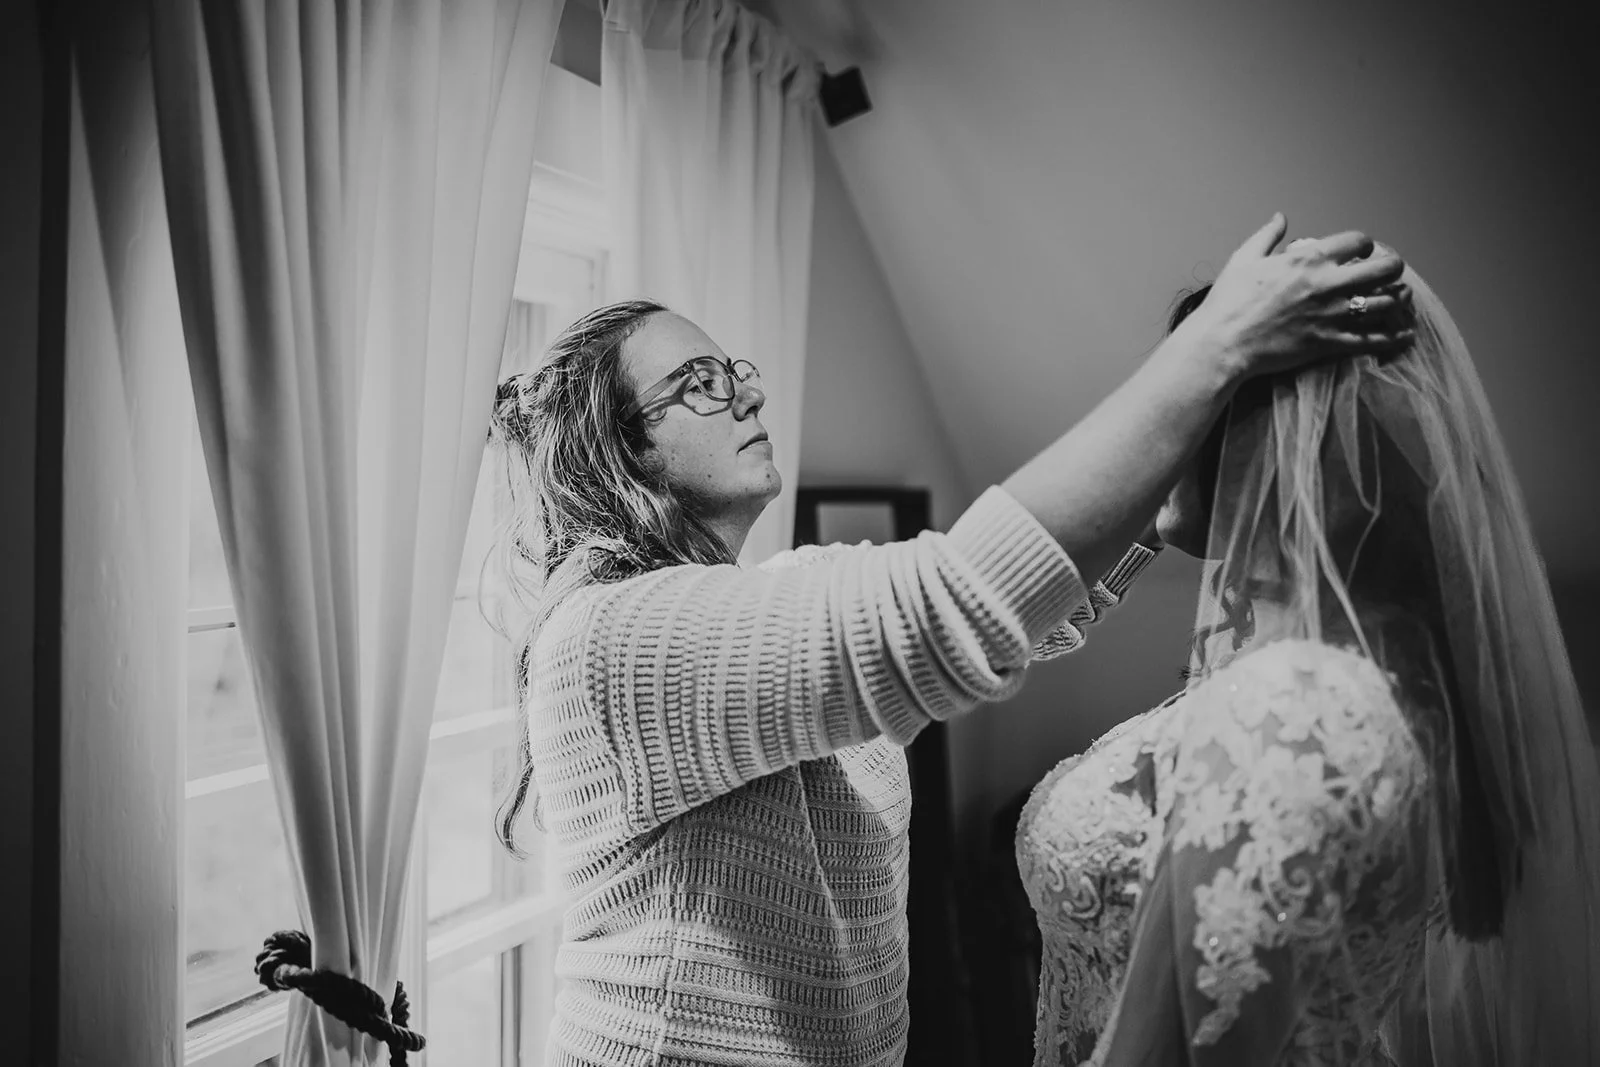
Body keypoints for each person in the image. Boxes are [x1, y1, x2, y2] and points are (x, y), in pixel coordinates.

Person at [485, 215, 1412, 1067]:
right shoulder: (608, 638)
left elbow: (1021, 616)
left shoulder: (773, 598)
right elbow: (952, 606)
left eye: (736, 371)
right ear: (619, 451)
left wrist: (1171, 510)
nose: (742, 396)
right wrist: (1216, 350)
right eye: (699, 384)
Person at [1014, 262, 1600, 1066]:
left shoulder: (1292, 707)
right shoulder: (1363, 674)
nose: (1153, 423)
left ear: (1250, 426)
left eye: (1181, 394)